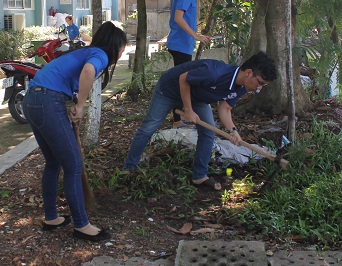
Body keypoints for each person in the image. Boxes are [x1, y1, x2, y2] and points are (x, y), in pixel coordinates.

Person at [23, 21, 127, 241]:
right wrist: (80, 105)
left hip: (33, 100)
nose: (122, 52)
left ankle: (51, 217)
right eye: (122, 48)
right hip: (47, 101)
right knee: (73, 164)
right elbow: (88, 71)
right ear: (115, 46)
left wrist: (74, 99)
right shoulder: (100, 55)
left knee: (53, 162)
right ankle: (81, 225)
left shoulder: (84, 51)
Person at [124, 52, 277, 190]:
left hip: (198, 96)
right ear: (249, 73)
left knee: (208, 132)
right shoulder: (214, 73)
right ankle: (129, 168)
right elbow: (183, 79)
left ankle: (199, 176)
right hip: (169, 89)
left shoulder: (241, 87)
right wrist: (188, 110)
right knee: (149, 127)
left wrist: (233, 131)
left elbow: (225, 109)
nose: (259, 88)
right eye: (260, 83)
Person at [166, 0, 211, 127]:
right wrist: (196, 36)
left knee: (181, 80)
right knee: (182, 82)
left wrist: (197, 36)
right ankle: (177, 120)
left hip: (182, 44)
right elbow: (178, 18)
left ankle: (178, 118)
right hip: (180, 45)